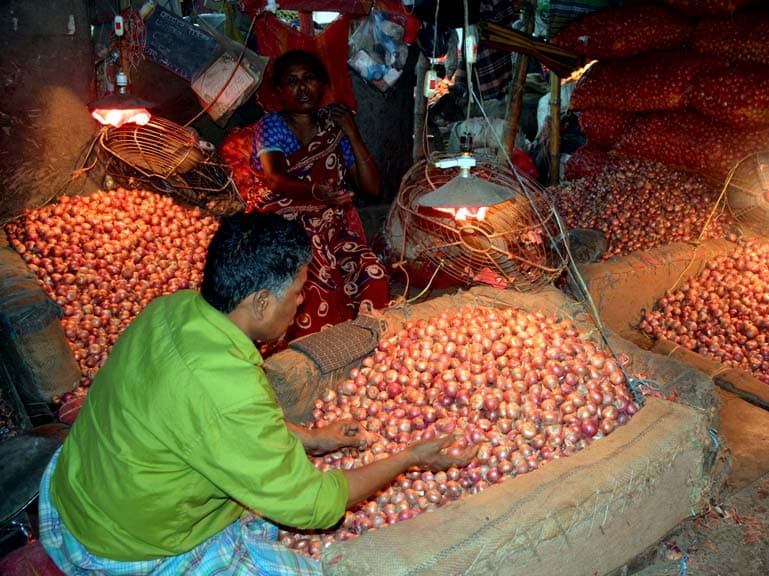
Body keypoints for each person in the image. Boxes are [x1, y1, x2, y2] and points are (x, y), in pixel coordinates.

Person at [39, 212, 476, 574]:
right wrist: (410, 458)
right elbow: (317, 507)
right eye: (300, 291)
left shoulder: (170, 309)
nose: (303, 303)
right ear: (263, 302)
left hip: (79, 489)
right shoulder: (226, 389)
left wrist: (310, 438)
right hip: (125, 542)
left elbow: (208, 418)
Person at [249, 49, 389, 341]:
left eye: (309, 79)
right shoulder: (271, 126)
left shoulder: (334, 128)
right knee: (316, 275)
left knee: (372, 270)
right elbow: (275, 179)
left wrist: (352, 133)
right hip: (284, 227)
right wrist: (316, 193)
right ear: (280, 91)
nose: (302, 88)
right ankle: (312, 354)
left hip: (333, 228)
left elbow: (373, 188)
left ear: (322, 84)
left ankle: (361, 343)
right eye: (292, 81)